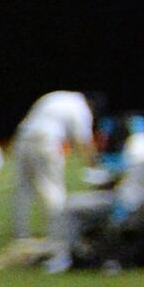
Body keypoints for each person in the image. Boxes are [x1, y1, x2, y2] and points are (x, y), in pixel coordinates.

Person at [13, 85, 95, 248]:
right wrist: (92, 163)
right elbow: (83, 140)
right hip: (46, 140)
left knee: (23, 188)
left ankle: (20, 233)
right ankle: (58, 232)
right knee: (52, 187)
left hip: (23, 138)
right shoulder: (80, 107)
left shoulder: (55, 96)